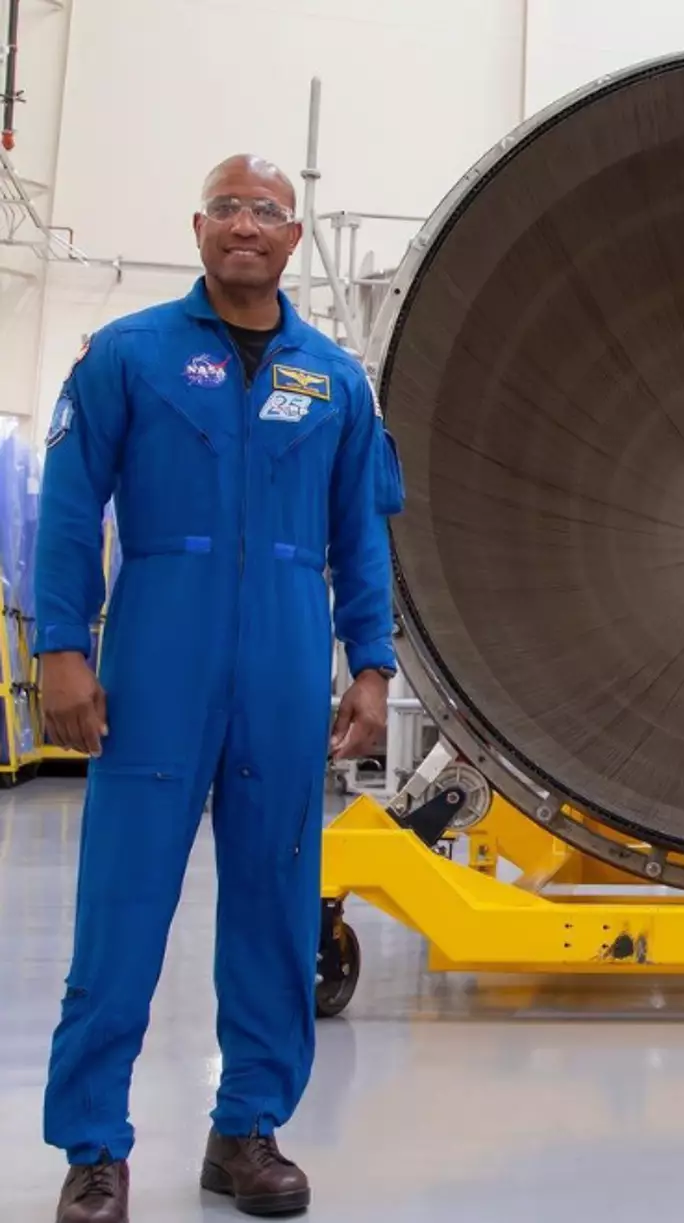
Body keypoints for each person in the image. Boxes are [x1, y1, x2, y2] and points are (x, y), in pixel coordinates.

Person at [34, 154, 404, 1223]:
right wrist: (63, 644)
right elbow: (69, 508)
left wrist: (369, 666)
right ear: (199, 226)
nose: (247, 225)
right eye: (229, 208)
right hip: (158, 650)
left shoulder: (334, 377)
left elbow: (359, 539)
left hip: (287, 662)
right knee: (121, 907)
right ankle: (94, 1145)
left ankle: (246, 1130)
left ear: (294, 241)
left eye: (268, 213)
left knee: (276, 906)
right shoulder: (129, 354)